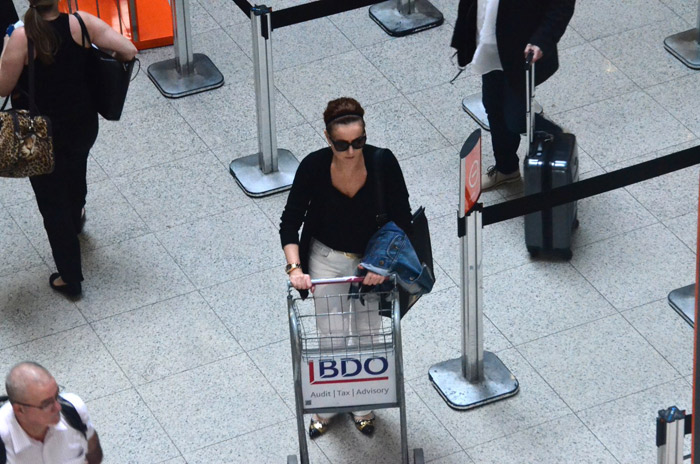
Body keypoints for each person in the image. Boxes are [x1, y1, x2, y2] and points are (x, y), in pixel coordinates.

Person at [280, 97, 413, 439]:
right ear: (328, 138)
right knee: (332, 334)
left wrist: (384, 265)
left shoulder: (383, 163)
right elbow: (290, 222)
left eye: (358, 142)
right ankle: (327, 405)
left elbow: (402, 218)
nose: (351, 151)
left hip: (370, 261)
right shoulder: (313, 167)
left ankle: (363, 405)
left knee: (369, 333)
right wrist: (294, 268)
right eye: (342, 145)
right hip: (326, 260)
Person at [0, 0, 137, 297]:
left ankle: (70, 278)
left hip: (40, 135)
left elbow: (3, 86)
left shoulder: (22, 38)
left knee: (52, 203)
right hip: (82, 124)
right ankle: (77, 217)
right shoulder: (81, 23)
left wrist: (7, 48)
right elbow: (128, 51)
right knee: (76, 169)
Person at [451, 0, 575, 190]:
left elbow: (561, 5)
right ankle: (506, 169)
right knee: (492, 104)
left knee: (515, 118)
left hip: (520, 48)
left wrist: (543, 39)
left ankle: (557, 136)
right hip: (488, 40)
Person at [1, 362, 103, 463]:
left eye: (56, 395)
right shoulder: (3, 439)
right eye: (46, 404)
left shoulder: (73, 409)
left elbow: (93, 451)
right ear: (20, 410)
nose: (58, 407)